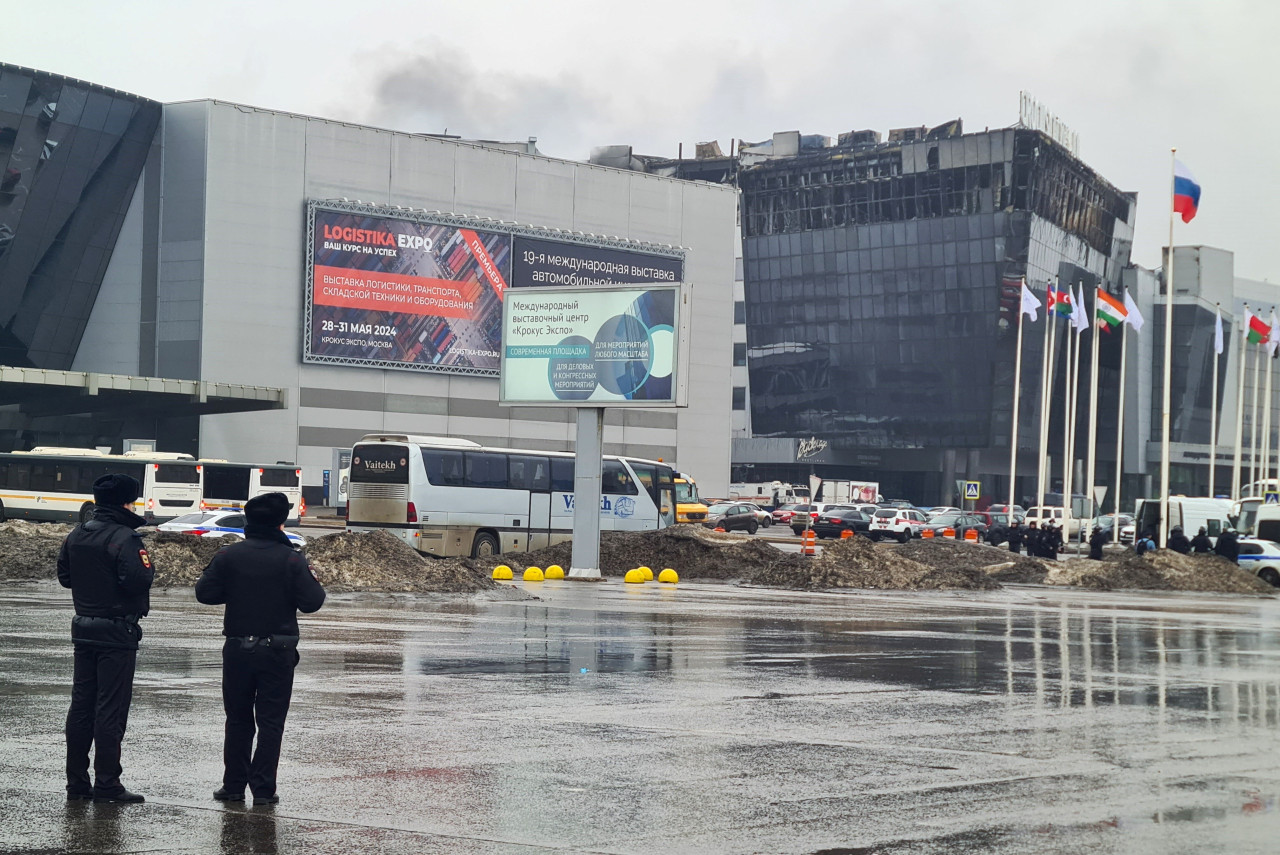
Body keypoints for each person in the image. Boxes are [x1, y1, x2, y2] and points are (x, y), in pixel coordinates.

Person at [196, 493, 325, 806]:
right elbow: (313, 602)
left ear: (248, 522)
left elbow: (204, 593)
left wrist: (236, 590)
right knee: (270, 722)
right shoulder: (292, 559)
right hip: (277, 651)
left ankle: (233, 786)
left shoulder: (229, 556)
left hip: (238, 650)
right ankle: (264, 790)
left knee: (238, 719)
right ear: (280, 522)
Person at [57, 473, 153, 804]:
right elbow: (137, 580)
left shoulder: (77, 534)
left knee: (81, 706)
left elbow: (65, 577)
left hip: (83, 627)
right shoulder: (126, 538)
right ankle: (108, 783)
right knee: (110, 709)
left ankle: (77, 782)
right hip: (117, 631)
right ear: (127, 502)